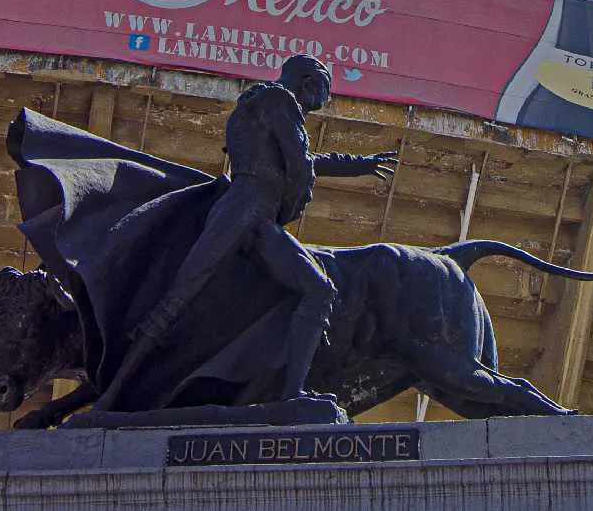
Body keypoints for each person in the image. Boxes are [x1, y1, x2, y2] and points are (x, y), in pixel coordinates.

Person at [129, 55, 395, 402]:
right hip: (244, 209)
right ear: (307, 81)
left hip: (259, 218)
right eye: (324, 90)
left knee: (318, 289)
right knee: (179, 297)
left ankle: (292, 393)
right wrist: (295, 201)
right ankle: (113, 392)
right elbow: (300, 164)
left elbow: (300, 159)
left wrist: (359, 165)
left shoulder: (265, 107)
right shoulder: (279, 99)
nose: (324, 101)